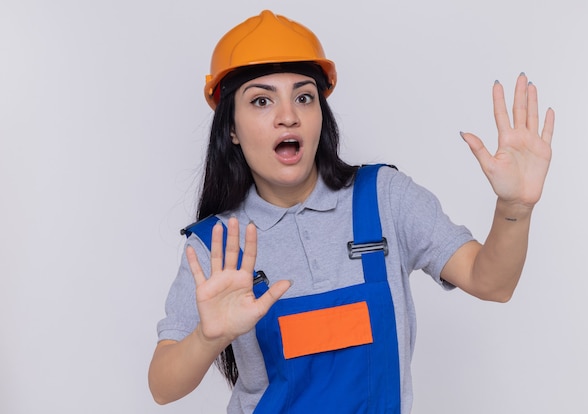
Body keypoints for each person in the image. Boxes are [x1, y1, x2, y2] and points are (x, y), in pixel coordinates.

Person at [148, 9, 555, 413]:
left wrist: (514, 206)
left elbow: (493, 283)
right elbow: (162, 387)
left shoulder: (384, 198)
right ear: (231, 128)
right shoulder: (217, 245)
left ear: (319, 117)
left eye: (304, 97)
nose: (288, 116)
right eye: (261, 101)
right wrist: (208, 338)